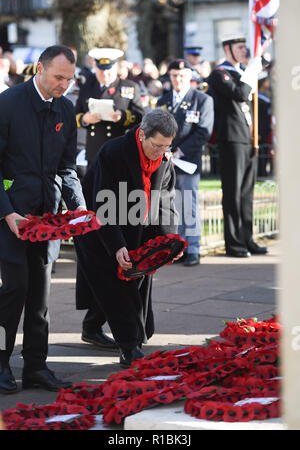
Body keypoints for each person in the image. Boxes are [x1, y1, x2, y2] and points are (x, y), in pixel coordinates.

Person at [0, 45, 86, 394]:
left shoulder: (66, 108)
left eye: (69, 79)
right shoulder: (7, 103)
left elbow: (66, 168)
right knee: (14, 290)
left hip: (47, 218)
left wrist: (77, 208)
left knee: (40, 296)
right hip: (11, 216)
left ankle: (36, 366)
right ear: (39, 69)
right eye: (58, 77)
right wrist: (7, 213)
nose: (63, 85)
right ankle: (1, 363)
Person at [74, 109, 179, 367]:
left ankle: (92, 327)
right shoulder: (114, 152)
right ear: (142, 134)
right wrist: (116, 244)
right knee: (114, 287)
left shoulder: (164, 159)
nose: (162, 152)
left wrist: (170, 241)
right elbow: (101, 203)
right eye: (157, 145)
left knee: (133, 282)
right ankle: (129, 347)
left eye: (167, 146)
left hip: (136, 226)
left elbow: (165, 202)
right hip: (99, 229)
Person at [208, 33, 268, 257]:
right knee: (233, 193)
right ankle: (233, 243)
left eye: (245, 47)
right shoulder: (219, 73)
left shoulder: (242, 73)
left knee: (246, 194)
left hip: (248, 138)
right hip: (231, 138)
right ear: (227, 49)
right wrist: (252, 70)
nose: (244, 51)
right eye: (240, 47)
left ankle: (246, 238)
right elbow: (241, 94)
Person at [157, 59, 214, 266]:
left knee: (188, 204)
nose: (178, 79)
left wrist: (179, 151)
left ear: (190, 78)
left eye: (182, 76)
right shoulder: (163, 101)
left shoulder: (202, 100)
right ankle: (176, 248)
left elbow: (203, 132)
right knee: (170, 206)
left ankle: (193, 248)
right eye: (174, 76)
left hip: (187, 161)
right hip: (165, 161)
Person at [75, 48, 144, 166]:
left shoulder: (130, 87)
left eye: (109, 70)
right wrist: (85, 119)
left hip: (121, 151)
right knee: (97, 184)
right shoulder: (87, 87)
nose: (105, 74)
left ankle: (122, 186)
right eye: (101, 70)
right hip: (95, 152)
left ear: (116, 67)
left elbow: (140, 117)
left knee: (122, 184)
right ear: (95, 67)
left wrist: (123, 116)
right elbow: (75, 115)